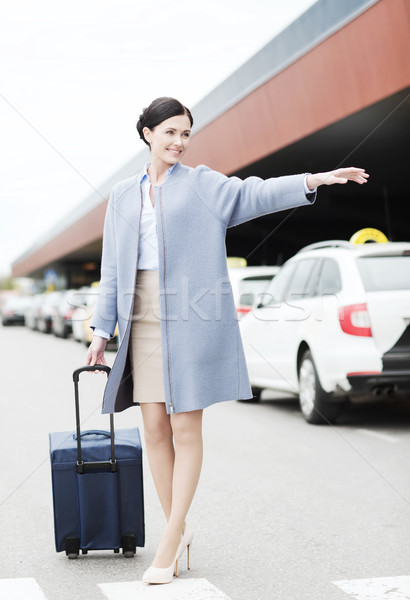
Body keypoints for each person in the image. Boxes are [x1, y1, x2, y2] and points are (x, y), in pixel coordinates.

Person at [86, 96, 369, 584]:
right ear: (148, 133)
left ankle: (169, 540)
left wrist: (312, 181)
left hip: (192, 319)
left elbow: (254, 193)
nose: (178, 141)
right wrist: (100, 328)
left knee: (184, 428)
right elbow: (113, 266)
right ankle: (181, 528)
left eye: (186, 133)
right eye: (170, 132)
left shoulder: (202, 185)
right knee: (153, 425)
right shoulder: (121, 196)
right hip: (143, 315)